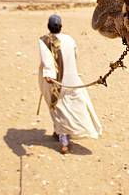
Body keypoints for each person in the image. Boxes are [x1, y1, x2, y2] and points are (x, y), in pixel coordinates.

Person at [38, 14, 102, 154]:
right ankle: (59, 131)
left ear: (48, 26)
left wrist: (49, 74)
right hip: (71, 78)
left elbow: (47, 60)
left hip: (55, 80)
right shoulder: (70, 39)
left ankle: (64, 142)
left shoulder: (44, 41)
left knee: (58, 107)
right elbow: (75, 56)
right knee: (71, 106)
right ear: (61, 26)